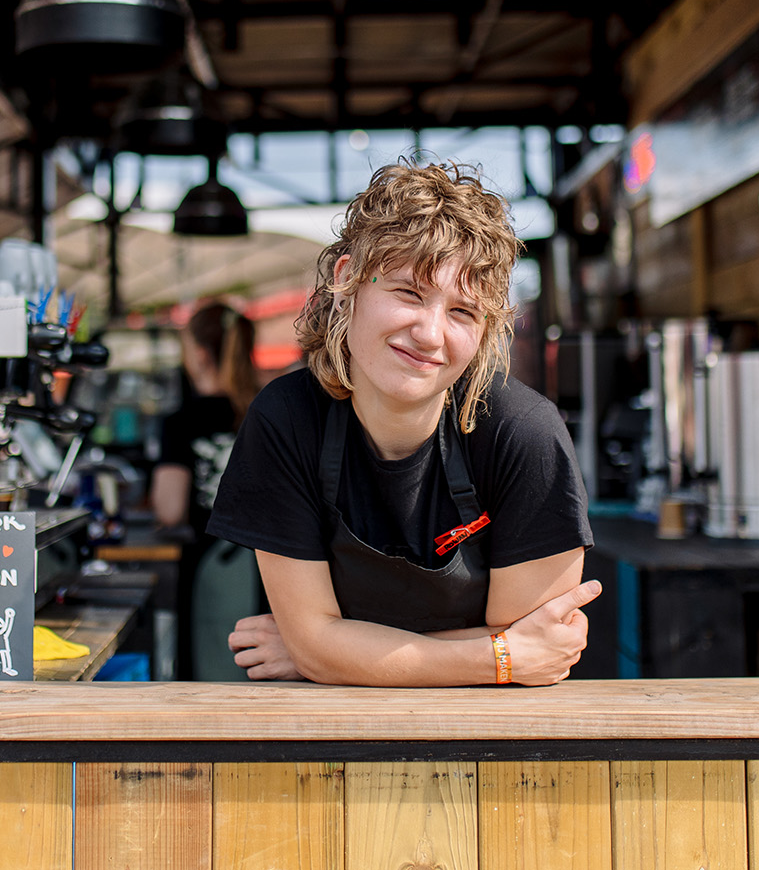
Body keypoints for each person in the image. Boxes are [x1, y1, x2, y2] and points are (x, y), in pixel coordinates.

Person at [207, 159, 599, 687]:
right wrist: (496, 655)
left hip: (492, 745)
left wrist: (327, 648)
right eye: (408, 293)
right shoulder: (288, 419)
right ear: (348, 280)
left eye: (463, 312)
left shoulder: (522, 433)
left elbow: (542, 651)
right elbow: (517, 653)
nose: (431, 334)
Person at [149, 301, 262, 678]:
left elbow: (169, 509)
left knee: (211, 682)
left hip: (210, 566)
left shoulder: (182, 422)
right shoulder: (270, 410)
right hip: (276, 572)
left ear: (198, 354)